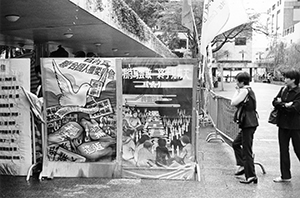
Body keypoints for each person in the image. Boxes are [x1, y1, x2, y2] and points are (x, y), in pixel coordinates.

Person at [272, 69, 300, 183]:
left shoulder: (299, 92)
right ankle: (285, 175)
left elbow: (295, 108)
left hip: (296, 125)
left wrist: (281, 104)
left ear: (293, 80)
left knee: (298, 149)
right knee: (283, 150)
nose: (285, 79)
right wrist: (285, 105)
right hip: (283, 124)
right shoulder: (283, 89)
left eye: (287, 78)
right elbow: (274, 102)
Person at [231, 72, 259, 184]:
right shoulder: (249, 90)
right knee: (236, 143)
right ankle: (243, 165)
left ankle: (251, 175)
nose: (236, 83)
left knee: (247, 149)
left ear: (242, 82)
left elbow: (233, 102)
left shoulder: (244, 91)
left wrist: (237, 90)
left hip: (248, 123)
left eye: (237, 81)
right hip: (249, 122)